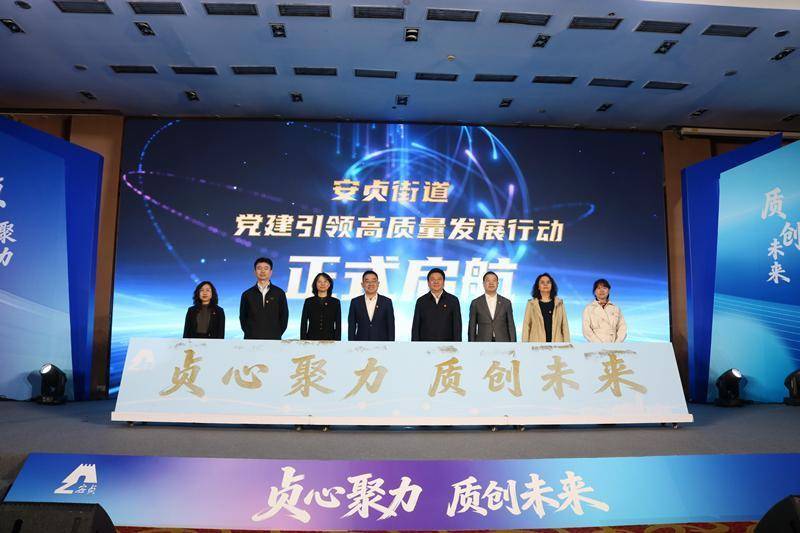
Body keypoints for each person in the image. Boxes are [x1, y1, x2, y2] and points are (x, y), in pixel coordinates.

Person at [239, 257, 288, 340]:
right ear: (255, 272)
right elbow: (243, 318)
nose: (262, 271)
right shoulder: (247, 294)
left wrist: (276, 334)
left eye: (266, 268)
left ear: (271, 272)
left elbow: (284, 317)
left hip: (273, 340)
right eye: (259, 268)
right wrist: (250, 333)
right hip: (251, 340)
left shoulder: (279, 293)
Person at [411, 268, 462, 341]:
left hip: (447, 345)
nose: (436, 282)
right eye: (432, 279)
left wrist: (457, 345)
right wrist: (415, 345)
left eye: (439, 279)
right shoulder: (421, 301)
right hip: (425, 345)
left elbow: (457, 327)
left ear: (444, 282)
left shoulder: (453, 300)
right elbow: (415, 327)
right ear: (428, 283)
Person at [467, 271, 516, 342]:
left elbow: (511, 325)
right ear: (483, 284)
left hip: (503, 342)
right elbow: (472, 327)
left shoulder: (506, 303)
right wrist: (471, 344)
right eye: (488, 280)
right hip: (483, 342)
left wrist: (514, 344)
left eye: (494, 280)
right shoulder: (476, 303)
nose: (491, 283)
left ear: (498, 283)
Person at [522, 272, 570, 342]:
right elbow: (526, 326)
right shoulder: (531, 304)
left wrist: (567, 344)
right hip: (536, 344)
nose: (545, 284)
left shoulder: (559, 303)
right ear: (538, 286)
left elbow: (564, 326)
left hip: (556, 344)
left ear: (552, 286)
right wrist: (524, 345)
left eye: (548, 282)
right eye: (542, 282)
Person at [348, 270, 395, 341]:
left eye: (373, 281)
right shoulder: (355, 302)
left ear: (378, 284)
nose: (370, 284)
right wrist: (351, 344)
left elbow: (391, 326)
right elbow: (351, 326)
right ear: (362, 284)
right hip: (361, 344)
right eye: (367, 281)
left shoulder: (387, 302)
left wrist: (391, 344)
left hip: (382, 344)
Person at [582, 278, 627, 343]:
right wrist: (599, 344)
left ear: (609, 291)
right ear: (594, 292)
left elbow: (622, 327)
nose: (601, 290)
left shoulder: (616, 308)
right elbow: (586, 329)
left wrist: (617, 343)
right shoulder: (589, 308)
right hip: (596, 344)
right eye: (598, 288)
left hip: (614, 343)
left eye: (604, 288)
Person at [300, 272, 341, 340]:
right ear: (315, 284)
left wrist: (337, 341)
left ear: (329, 284)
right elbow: (303, 323)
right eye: (319, 282)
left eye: (325, 281)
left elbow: (338, 324)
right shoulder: (308, 301)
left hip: (330, 340)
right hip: (311, 339)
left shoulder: (335, 302)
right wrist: (303, 340)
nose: (322, 284)